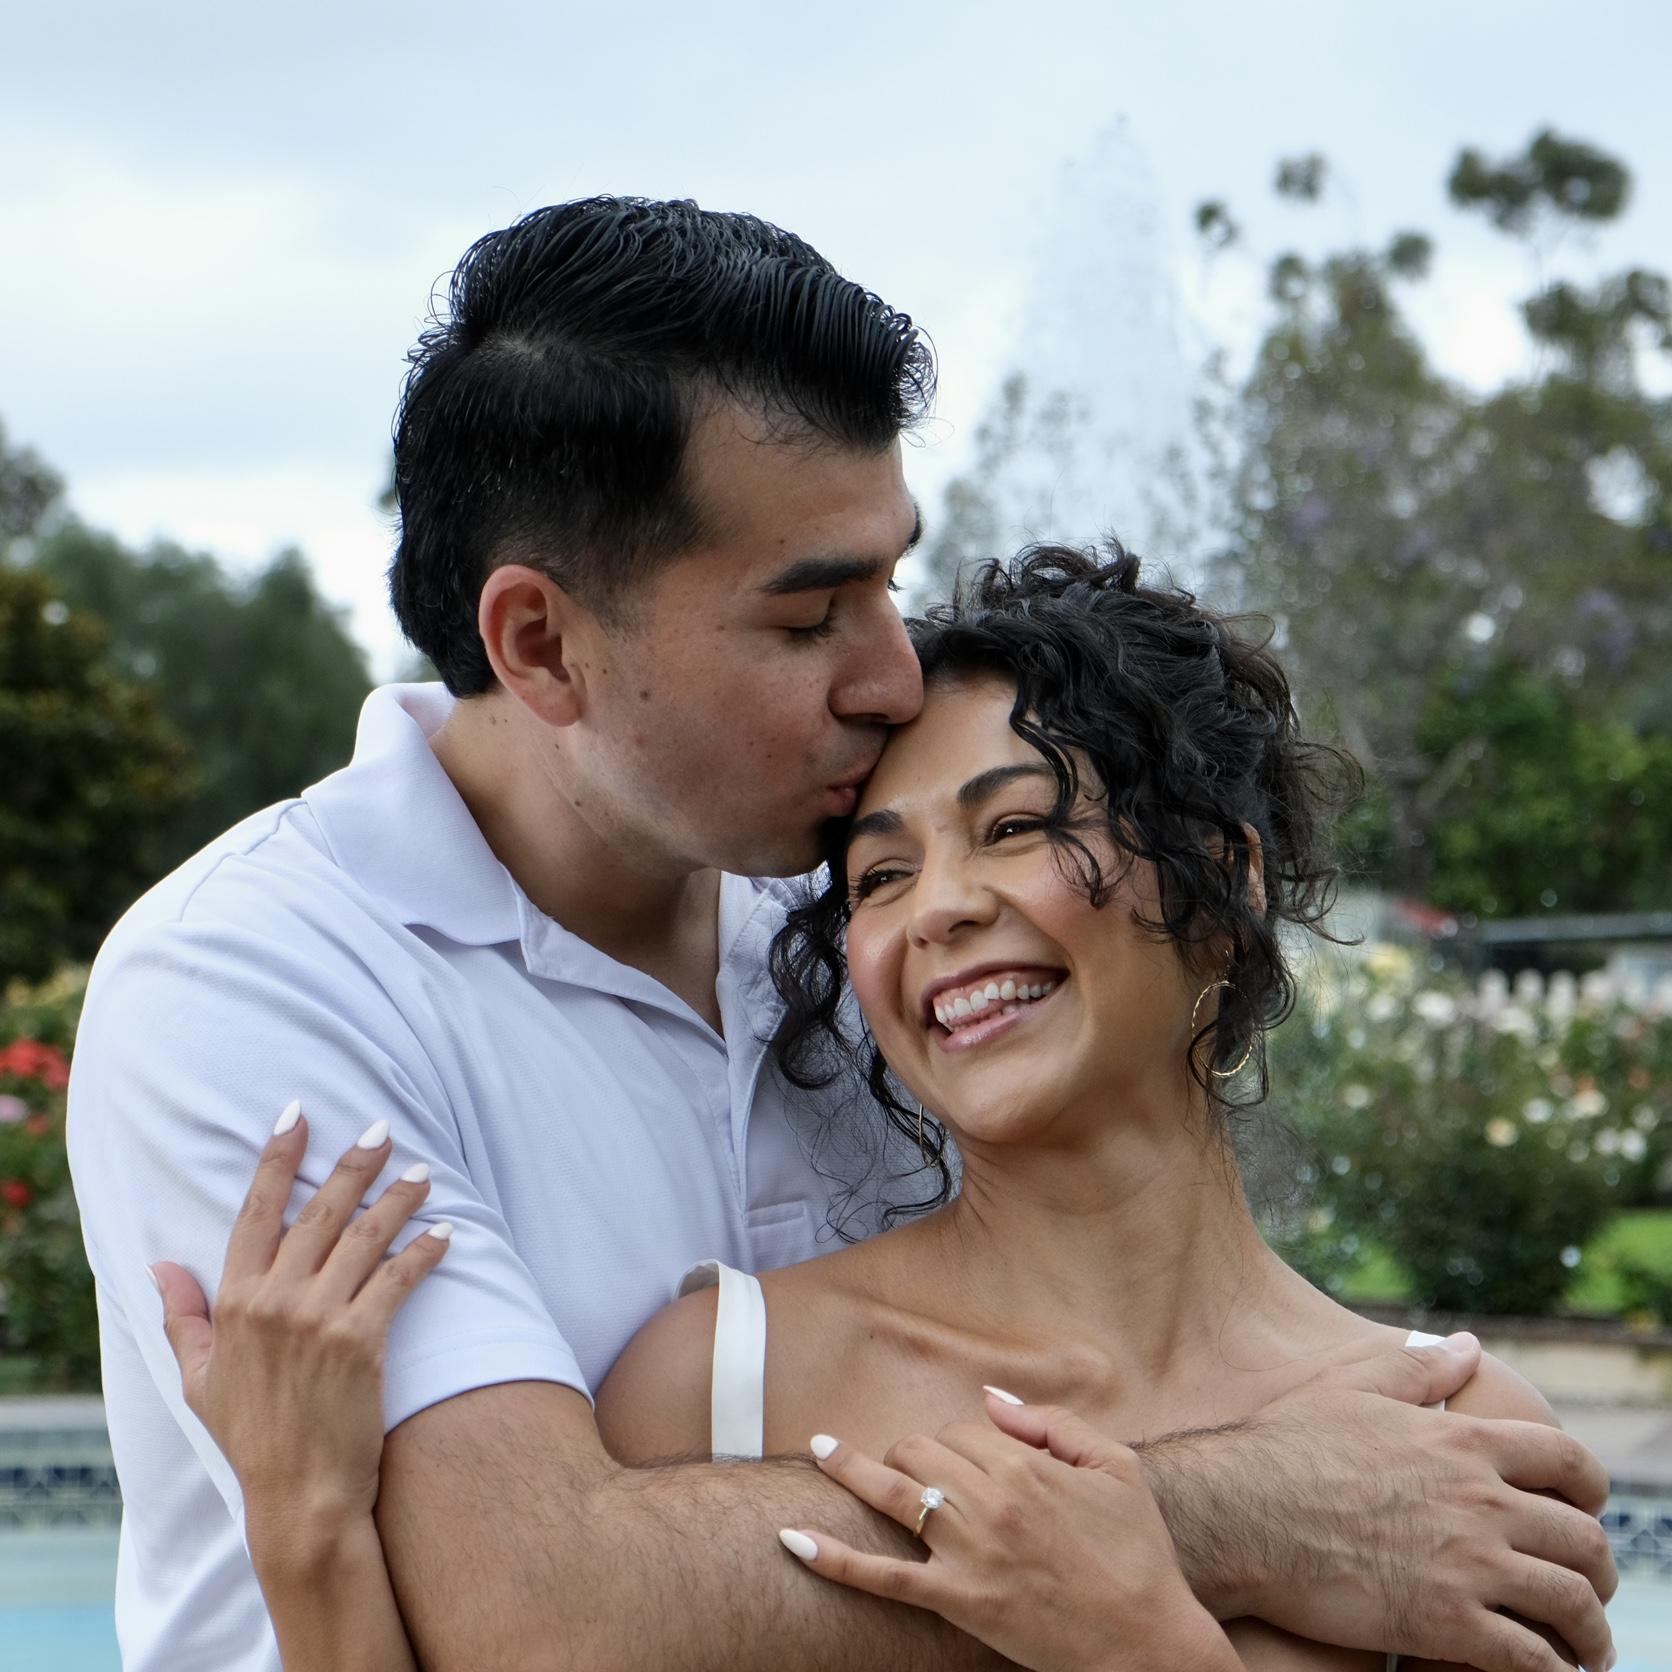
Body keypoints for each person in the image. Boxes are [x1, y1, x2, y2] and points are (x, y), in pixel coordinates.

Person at [70, 197, 1615, 1672]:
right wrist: (1237, 1511)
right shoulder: (261, 982)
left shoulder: (832, 926)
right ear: (540, 642)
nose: (893, 679)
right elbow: (540, 1623)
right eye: (809, 619)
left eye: (890, 582)